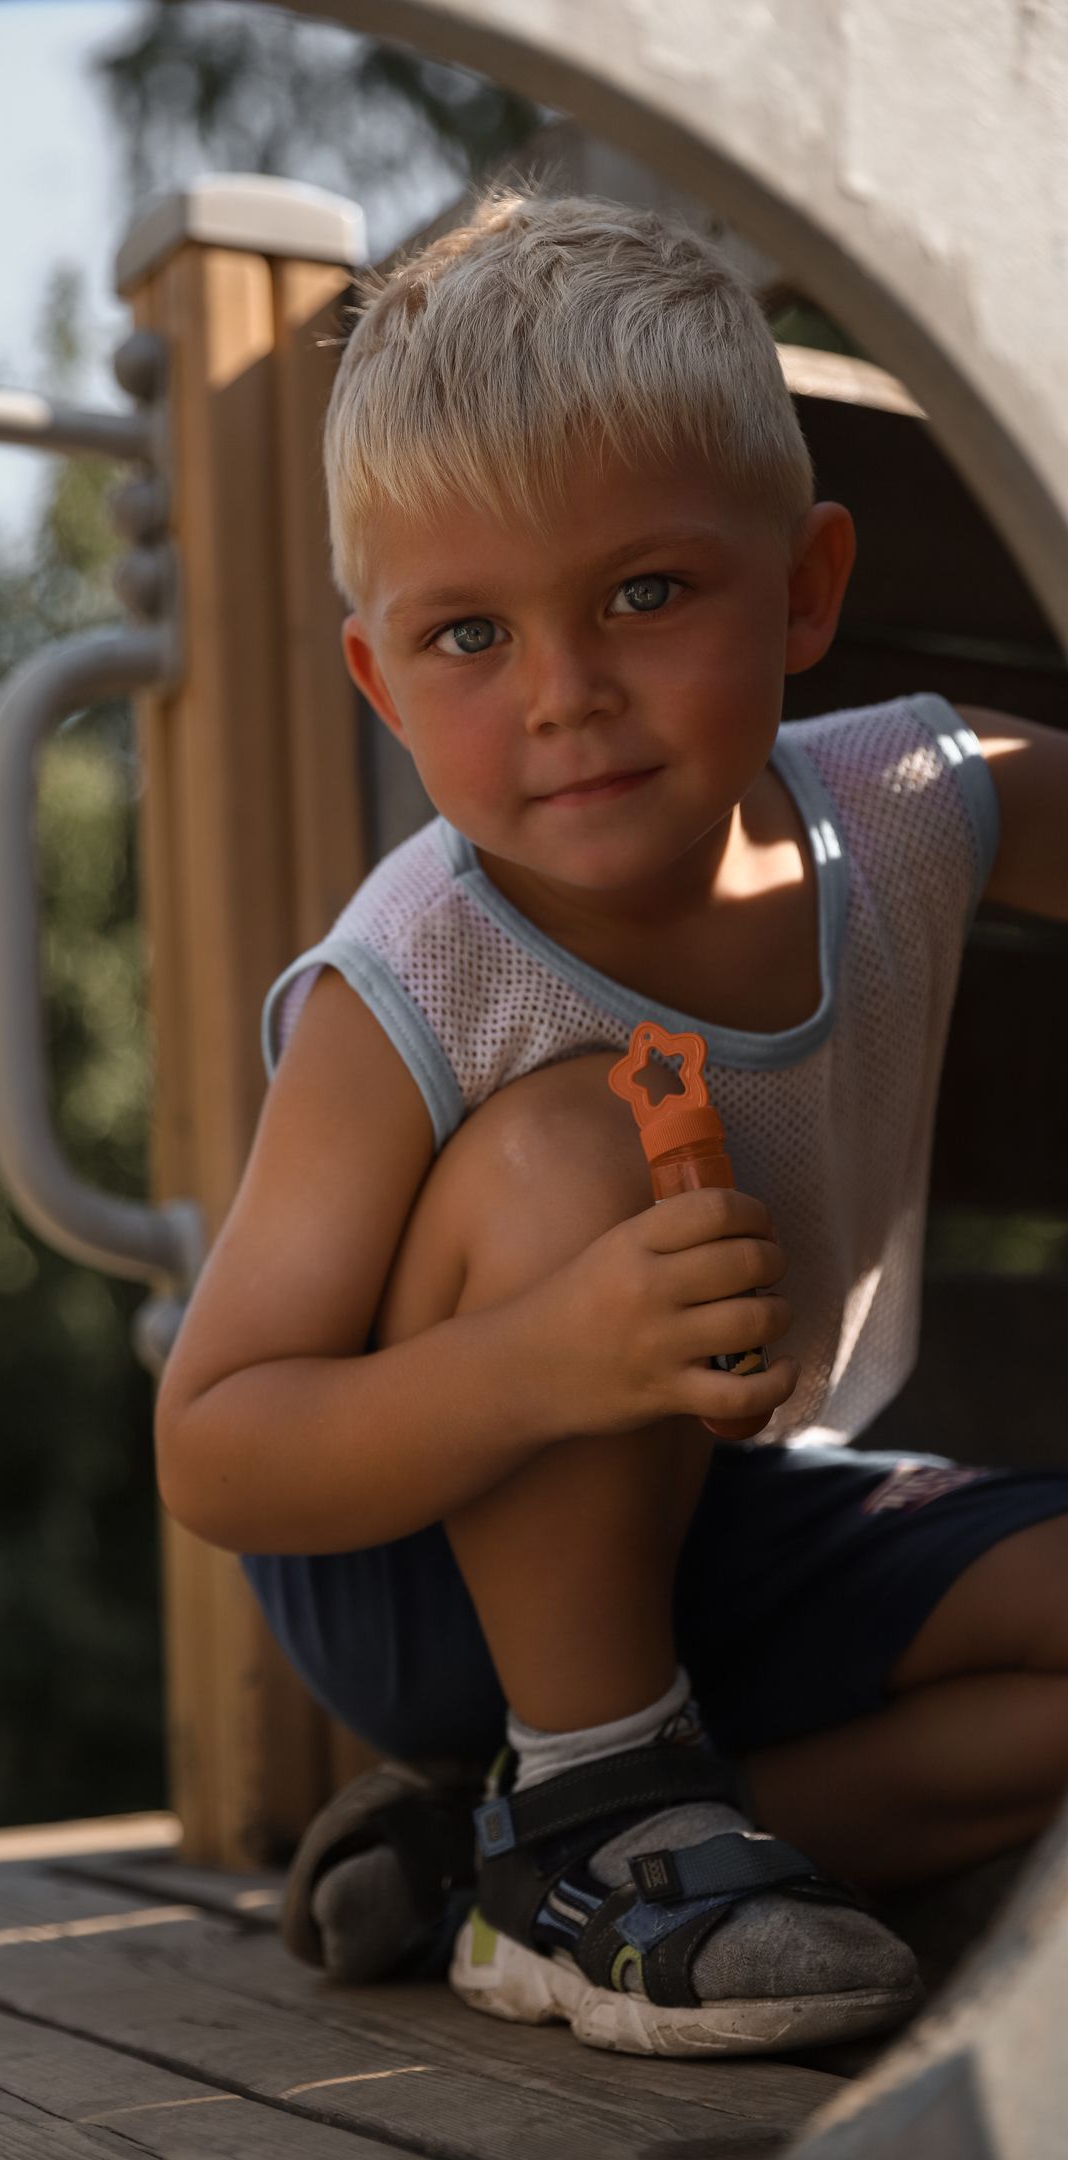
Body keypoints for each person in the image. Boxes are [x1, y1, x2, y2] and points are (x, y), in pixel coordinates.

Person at [153, 188, 1068, 2057]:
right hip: (430, 1547)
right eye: (470, 635)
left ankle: (527, 1867)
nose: (565, 695)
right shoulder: (416, 974)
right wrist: (548, 1363)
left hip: (740, 1510)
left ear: (804, 587)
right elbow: (219, 1450)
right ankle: (592, 1793)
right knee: (574, 1146)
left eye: (646, 595)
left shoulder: (904, 802)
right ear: (379, 678)